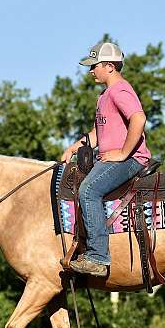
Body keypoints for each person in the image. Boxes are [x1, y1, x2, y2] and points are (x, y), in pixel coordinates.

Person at [61, 42, 151, 277]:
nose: (91, 70)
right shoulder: (104, 95)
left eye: (95, 66)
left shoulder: (120, 90)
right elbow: (96, 134)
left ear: (110, 66)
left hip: (131, 159)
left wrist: (123, 153)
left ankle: (98, 257)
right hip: (111, 159)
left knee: (89, 190)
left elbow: (139, 119)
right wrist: (74, 146)